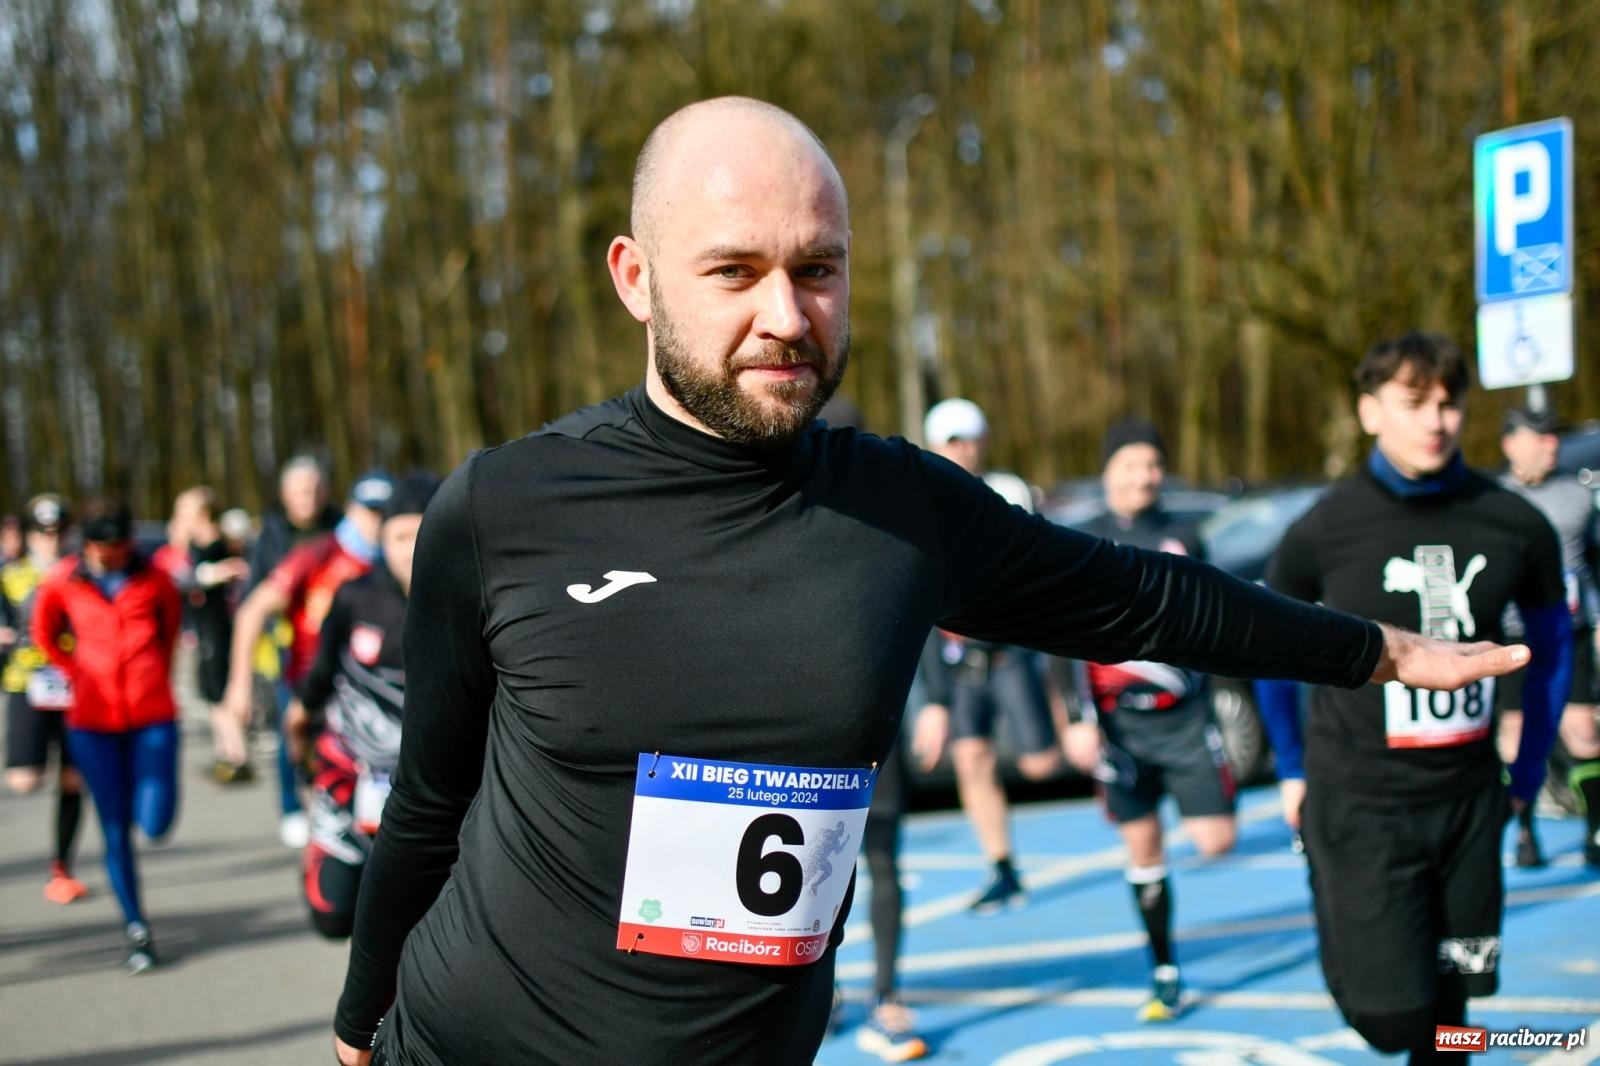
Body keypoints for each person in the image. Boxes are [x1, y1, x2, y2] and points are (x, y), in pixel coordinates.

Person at [330, 98, 1529, 1066]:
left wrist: (1375, 651)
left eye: (818, 268)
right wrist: (355, 1024)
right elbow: (430, 800)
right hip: (473, 1040)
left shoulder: (901, 510)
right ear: (635, 277)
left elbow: (1149, 598)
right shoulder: (503, 505)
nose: (784, 315)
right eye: (734, 272)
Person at [1262, 333, 1569, 1064]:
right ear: (1370, 412)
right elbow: (1267, 651)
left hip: (1467, 802)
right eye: (1413, 402)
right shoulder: (1323, 529)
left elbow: (1554, 649)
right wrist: (1289, 767)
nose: (1436, 420)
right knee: (1393, 1020)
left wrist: (1525, 774)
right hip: (1360, 803)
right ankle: (1344, 932)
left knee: (1453, 1006)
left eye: (1450, 402)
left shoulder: (1515, 524)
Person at [1063, 419, 1238, 1022]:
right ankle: (1164, 967)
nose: (1144, 476)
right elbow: (1056, 635)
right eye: (1131, 464)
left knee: (1217, 842)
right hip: (1119, 725)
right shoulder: (1081, 538)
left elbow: (1220, 614)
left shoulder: (1184, 533)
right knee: (1143, 846)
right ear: (1108, 471)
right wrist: (1074, 718)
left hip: (1186, 719)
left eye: (1152, 465)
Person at [911, 397, 1062, 915]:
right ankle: (1001, 866)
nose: (963, 449)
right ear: (936, 445)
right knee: (971, 761)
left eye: (970, 439)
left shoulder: (1009, 491)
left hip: (1010, 654)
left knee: (1042, 765)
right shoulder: (921, 497)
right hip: (959, 660)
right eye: (953, 440)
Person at [32, 498, 184, 974]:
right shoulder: (62, 580)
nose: (107, 555)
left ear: (128, 542)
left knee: (154, 821)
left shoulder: (154, 579)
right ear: (86, 543)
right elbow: (43, 633)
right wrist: (73, 669)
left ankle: (148, 820)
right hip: (92, 722)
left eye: (115, 546)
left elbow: (170, 631)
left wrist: (154, 673)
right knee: (114, 829)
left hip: (152, 716)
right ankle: (136, 927)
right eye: (98, 547)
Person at [290, 475, 438, 939]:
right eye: (397, 536)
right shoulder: (355, 597)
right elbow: (317, 681)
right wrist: (299, 733)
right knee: (334, 918)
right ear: (381, 540)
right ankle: (321, 851)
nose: (408, 549)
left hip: (432, 794)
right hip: (348, 778)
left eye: (419, 534)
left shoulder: (468, 600)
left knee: (417, 929)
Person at [221, 472, 393, 847]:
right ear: (352, 510)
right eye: (369, 512)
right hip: (311, 685)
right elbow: (252, 610)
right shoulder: (317, 554)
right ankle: (299, 819)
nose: (376, 522)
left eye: (385, 513)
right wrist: (239, 684)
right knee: (319, 780)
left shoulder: (398, 560)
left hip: (374, 696)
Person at [1494, 406, 1600, 869]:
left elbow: (1595, 562)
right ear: (1511, 444)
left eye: (1554, 435)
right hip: (1512, 638)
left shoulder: (1577, 497)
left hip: (1567, 631)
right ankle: (1524, 831)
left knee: (1584, 728)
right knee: (1515, 737)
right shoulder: (1493, 501)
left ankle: (1596, 829)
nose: (1551, 444)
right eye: (1539, 436)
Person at [1, 495, 88, 904]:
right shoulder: (11, 574)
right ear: (29, 535)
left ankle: (62, 869)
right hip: (27, 682)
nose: (51, 541)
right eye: (43, 533)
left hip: (76, 687)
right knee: (23, 780)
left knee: (74, 779)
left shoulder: (81, 572)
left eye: (58, 533)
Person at [156, 488, 254, 784]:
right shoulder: (196, 549)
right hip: (203, 629)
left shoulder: (217, 546)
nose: (178, 517)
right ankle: (225, 752)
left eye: (182, 510)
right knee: (210, 691)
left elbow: (215, 576)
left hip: (219, 630)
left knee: (219, 690)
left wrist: (206, 574)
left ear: (202, 514)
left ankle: (237, 756)